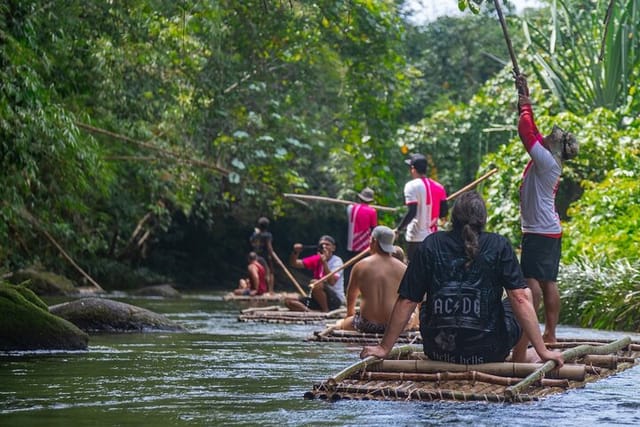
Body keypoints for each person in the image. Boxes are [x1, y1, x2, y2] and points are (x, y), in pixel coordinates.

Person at [361, 191, 564, 367]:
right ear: (483, 219)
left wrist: (383, 348)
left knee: (423, 299)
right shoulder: (498, 245)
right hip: (489, 351)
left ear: (453, 218)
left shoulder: (430, 244)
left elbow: (407, 300)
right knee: (525, 292)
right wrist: (543, 351)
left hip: (439, 349)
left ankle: (521, 356)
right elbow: (519, 298)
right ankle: (519, 358)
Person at [515, 74, 579, 344]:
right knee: (546, 281)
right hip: (545, 229)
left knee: (533, 282)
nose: (551, 136)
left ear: (558, 148)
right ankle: (547, 332)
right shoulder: (548, 156)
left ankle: (534, 332)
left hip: (540, 231)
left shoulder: (547, 161)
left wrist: (526, 106)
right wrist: (524, 95)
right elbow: (534, 131)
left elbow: (526, 132)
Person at [336, 226, 407, 333]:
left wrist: (350, 315)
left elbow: (351, 295)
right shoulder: (403, 268)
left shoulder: (360, 266)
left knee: (341, 323)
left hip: (365, 325)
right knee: (413, 318)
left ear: (374, 241)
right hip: (393, 326)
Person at [395, 153, 448, 263]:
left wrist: (398, 229)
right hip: (432, 237)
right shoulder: (439, 187)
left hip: (415, 237)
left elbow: (412, 212)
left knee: (412, 269)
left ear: (413, 169)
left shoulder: (411, 186)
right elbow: (443, 213)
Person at [284, 235, 345, 312]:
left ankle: (325, 310)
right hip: (318, 299)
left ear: (333, 248)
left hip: (335, 300)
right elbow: (294, 263)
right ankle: (311, 312)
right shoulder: (316, 258)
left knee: (315, 283)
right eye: (322, 245)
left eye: (327, 244)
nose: (324, 247)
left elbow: (331, 282)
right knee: (288, 301)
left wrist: (324, 263)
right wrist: (296, 252)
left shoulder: (337, 261)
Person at [344, 187, 378, 285]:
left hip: (351, 244)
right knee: (364, 268)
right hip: (363, 246)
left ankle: (348, 287)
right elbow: (373, 229)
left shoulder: (350, 208)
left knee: (350, 267)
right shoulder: (372, 211)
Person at [249, 217, 275, 293]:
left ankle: (260, 289)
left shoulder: (254, 235)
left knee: (259, 273)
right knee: (270, 273)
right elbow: (269, 247)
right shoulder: (268, 235)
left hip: (256, 257)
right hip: (265, 256)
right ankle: (270, 291)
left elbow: (251, 243)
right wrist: (273, 256)